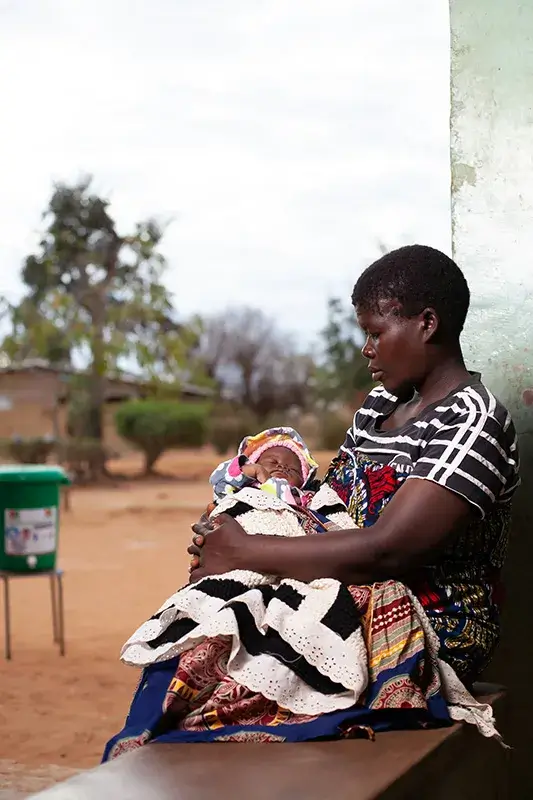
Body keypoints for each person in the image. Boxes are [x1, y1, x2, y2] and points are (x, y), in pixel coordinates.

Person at [103, 245, 518, 758]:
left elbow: (391, 549)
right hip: (341, 585)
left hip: (429, 625)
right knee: (207, 631)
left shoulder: (472, 420)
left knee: (243, 670)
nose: (366, 349)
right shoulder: (379, 409)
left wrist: (246, 553)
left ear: (427, 324)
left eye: (376, 332)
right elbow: (322, 504)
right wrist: (238, 526)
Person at [120, 427, 369, 717]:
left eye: (292, 467)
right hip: (247, 536)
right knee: (218, 600)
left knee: (305, 609)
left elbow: (333, 521)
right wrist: (249, 470)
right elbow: (223, 482)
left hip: (291, 551)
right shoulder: (244, 489)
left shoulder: (309, 497)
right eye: (273, 461)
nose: (281, 468)